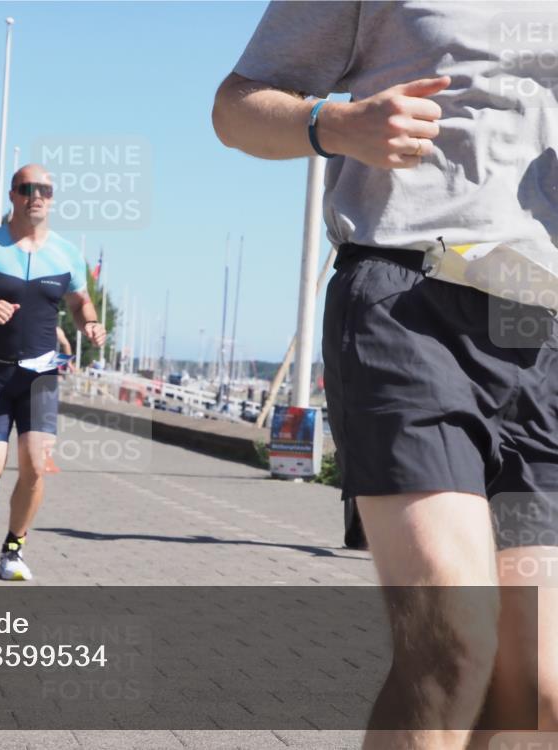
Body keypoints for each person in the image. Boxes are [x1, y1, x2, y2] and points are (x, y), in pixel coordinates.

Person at [213, 4, 557, 744]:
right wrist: (334, 125)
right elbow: (236, 107)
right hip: (409, 306)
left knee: (541, 693)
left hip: (541, 330)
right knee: (453, 643)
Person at [0, 164, 106, 581]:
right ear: (13, 195)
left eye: (45, 190)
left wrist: (88, 322)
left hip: (40, 377)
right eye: (27, 188)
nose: (37, 195)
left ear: (52, 198)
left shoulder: (67, 253)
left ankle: (13, 550)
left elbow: (79, 302)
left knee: (35, 466)